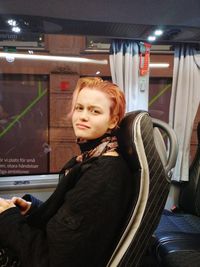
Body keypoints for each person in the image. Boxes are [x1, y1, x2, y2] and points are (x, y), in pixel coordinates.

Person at [0, 77, 134, 267]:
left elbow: (52, 260)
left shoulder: (103, 176)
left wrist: (7, 218)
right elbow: (67, 221)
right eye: (79, 108)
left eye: (95, 111)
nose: (83, 116)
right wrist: (32, 209)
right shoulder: (91, 160)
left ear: (112, 121)